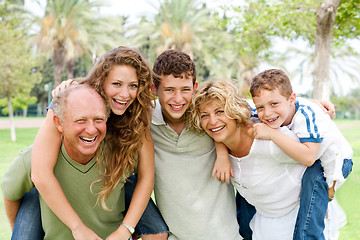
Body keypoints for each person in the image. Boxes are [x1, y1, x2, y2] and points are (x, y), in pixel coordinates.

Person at [17, 47, 168, 240]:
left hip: (116, 180)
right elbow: (40, 173)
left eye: (133, 85)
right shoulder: (68, 100)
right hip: (58, 182)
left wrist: (125, 230)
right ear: (101, 81)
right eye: (116, 84)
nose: (125, 94)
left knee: (158, 232)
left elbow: (146, 176)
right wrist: (77, 228)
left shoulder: (137, 113)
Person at [190, 79, 344, 239]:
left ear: (234, 110)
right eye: (204, 115)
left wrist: (312, 106)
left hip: (298, 221)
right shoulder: (216, 142)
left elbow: (323, 151)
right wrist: (221, 154)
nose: (212, 121)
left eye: (220, 112)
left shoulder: (271, 140)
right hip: (264, 221)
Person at [3, 84, 125, 239]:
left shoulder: (122, 153)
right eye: (81, 120)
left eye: (98, 119)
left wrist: (128, 229)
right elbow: (10, 193)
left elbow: (144, 181)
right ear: (59, 123)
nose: (91, 129)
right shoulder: (34, 159)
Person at [150, 49, 244, 239]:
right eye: (169, 90)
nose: (178, 99)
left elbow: (266, 106)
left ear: (195, 87)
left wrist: (311, 103)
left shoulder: (208, 114)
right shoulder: (144, 120)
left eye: (185, 89)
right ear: (154, 89)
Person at [249, 69, 353, 239]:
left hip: (336, 160)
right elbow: (237, 108)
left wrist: (272, 134)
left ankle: (309, 236)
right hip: (315, 156)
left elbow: (309, 158)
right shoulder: (263, 113)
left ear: (291, 99)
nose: (267, 113)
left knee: (312, 185)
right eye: (260, 107)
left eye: (274, 104)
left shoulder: (306, 114)